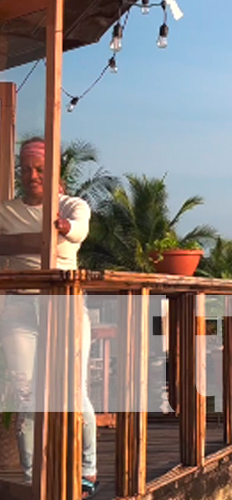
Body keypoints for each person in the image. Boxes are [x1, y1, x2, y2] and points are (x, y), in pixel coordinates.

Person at [0, 137, 98, 498]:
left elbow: (79, 230)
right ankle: (32, 478)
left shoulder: (73, 205)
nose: (32, 175)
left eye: (40, 168)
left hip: (64, 305)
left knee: (73, 393)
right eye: (26, 169)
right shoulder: (6, 211)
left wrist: (60, 227)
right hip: (19, 309)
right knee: (26, 395)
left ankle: (87, 471)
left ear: (55, 171)